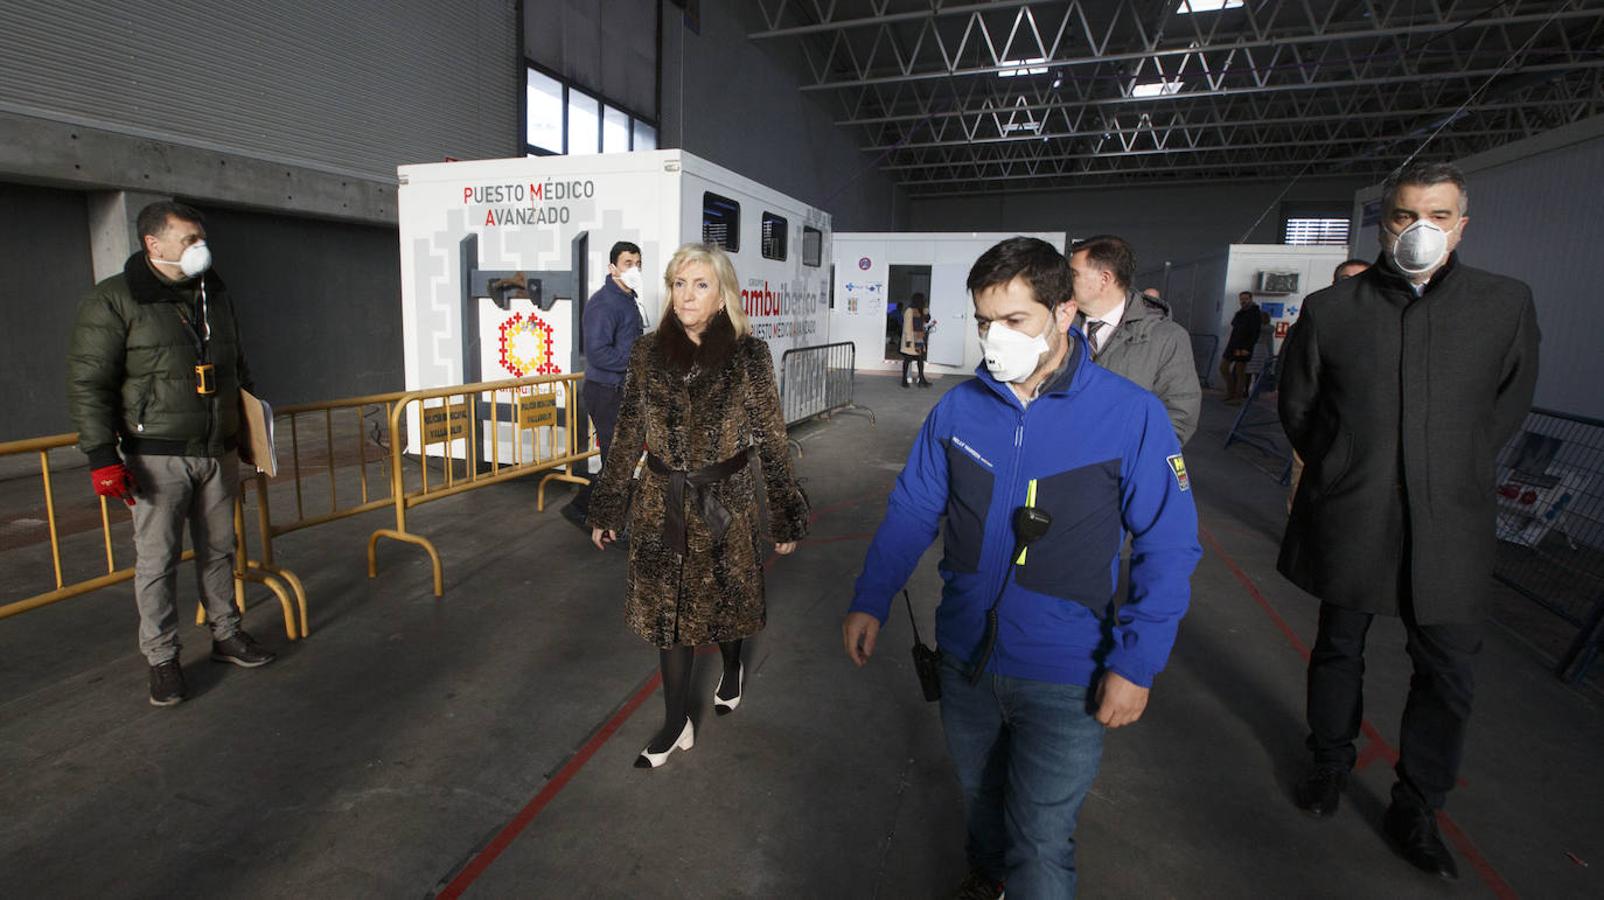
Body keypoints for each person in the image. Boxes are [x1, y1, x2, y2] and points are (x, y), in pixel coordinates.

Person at [842, 237, 1201, 898]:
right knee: (980, 799)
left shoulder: (1131, 417)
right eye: (984, 322)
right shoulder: (957, 410)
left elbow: (1168, 546)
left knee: (1039, 836)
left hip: (1066, 675)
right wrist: (873, 597)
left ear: (1064, 313)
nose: (993, 339)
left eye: (1014, 321)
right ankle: (985, 877)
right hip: (966, 659)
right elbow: (914, 508)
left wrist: (1135, 663)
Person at [1280, 162, 1539, 880]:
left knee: (1448, 671)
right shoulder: (1335, 311)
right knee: (1340, 647)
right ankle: (1329, 765)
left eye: (1438, 215)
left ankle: (1418, 804)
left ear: (1462, 224)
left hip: (1449, 522)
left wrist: (1449, 471)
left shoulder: (1503, 304)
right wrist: (1343, 466)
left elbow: (1507, 405)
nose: (1419, 229)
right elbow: (1299, 406)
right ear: (1384, 221)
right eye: (1403, 215)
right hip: (1356, 511)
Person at [587, 243, 810, 768]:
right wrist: (607, 505)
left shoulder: (748, 355)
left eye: (700, 285)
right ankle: (674, 722)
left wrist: (783, 509)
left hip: (723, 504)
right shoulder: (646, 352)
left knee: (725, 605)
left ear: (722, 296)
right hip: (659, 503)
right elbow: (627, 436)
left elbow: (771, 439)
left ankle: (732, 666)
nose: (687, 295)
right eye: (679, 284)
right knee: (669, 618)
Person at [65, 200, 275, 707]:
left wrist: (248, 430)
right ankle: (162, 659)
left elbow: (237, 369)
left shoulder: (214, 294)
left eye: (202, 239)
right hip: (154, 457)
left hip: (218, 451)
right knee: (157, 561)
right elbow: (89, 384)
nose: (200, 248)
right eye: (188, 240)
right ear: (153, 244)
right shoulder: (113, 301)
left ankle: (226, 633)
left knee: (220, 550)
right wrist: (101, 456)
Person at [1068, 235, 1201, 444]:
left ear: (1105, 279)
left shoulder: (1166, 338)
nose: (1064, 282)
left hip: (1118, 467)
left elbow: (1179, 416)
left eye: (1073, 274)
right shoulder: (1057, 327)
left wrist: (1129, 461)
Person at [563, 241, 646, 530]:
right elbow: (598, 353)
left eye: (637, 263)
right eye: (627, 263)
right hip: (606, 391)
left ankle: (591, 512)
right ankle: (591, 513)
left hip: (621, 390)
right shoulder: (604, 304)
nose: (634, 268)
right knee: (617, 462)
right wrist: (637, 360)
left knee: (621, 459)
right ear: (613, 268)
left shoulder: (627, 299)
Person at [1288, 259, 1372, 511]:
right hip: (1319, 429)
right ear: (1334, 283)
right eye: (1347, 279)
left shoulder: (1382, 327)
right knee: (1305, 488)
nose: (1354, 286)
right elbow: (1294, 386)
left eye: (1362, 280)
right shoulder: (1316, 319)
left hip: (1365, 435)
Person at [1220, 291, 1262, 403]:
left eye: (1245, 299)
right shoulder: (1240, 313)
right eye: (1241, 299)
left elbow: (1254, 333)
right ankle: (1231, 392)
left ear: (1251, 299)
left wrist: (1247, 348)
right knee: (1224, 367)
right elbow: (1234, 325)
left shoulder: (1254, 314)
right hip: (1233, 344)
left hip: (1243, 346)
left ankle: (1237, 397)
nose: (1243, 301)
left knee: (1240, 372)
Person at [899, 291, 933, 388]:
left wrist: (925, 309)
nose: (924, 301)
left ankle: (921, 380)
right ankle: (904, 380)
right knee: (907, 359)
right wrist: (909, 341)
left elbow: (927, 319)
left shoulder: (921, 310)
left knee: (920, 359)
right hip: (910, 339)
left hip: (919, 338)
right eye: (923, 300)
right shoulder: (909, 310)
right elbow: (907, 327)